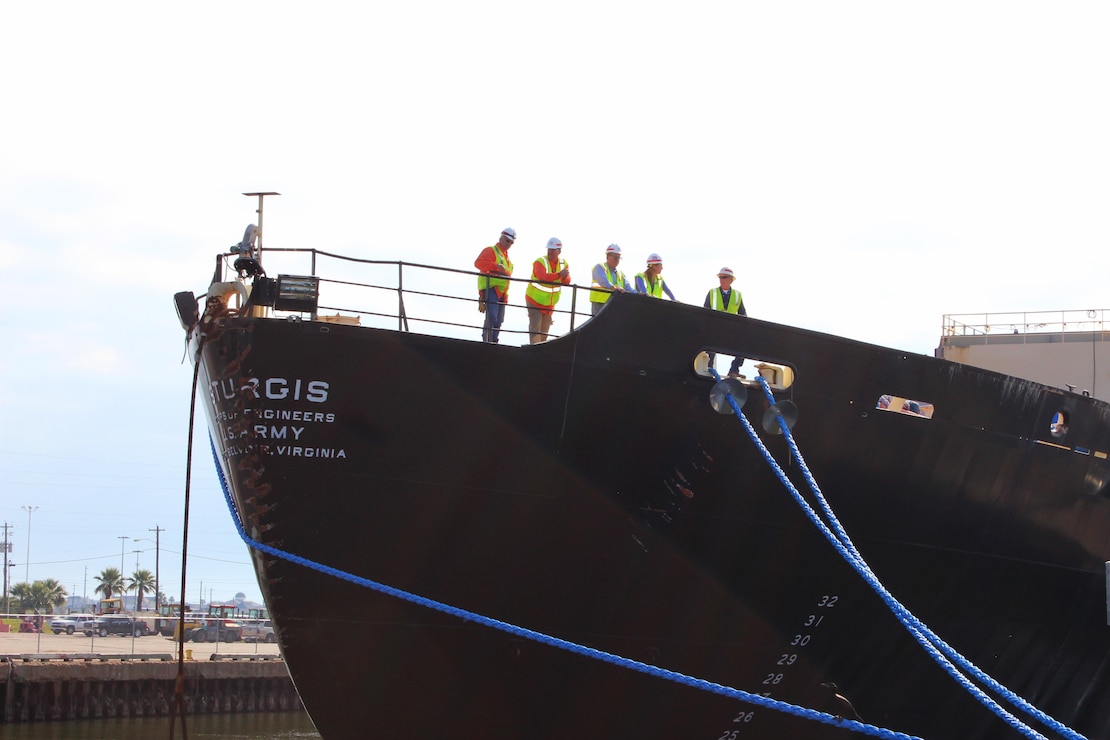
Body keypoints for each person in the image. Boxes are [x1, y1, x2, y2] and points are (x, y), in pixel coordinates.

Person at [525, 237, 571, 344]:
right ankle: (534, 352)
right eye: (549, 249)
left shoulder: (564, 263)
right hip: (535, 300)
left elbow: (567, 280)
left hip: (549, 304)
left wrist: (564, 277)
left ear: (559, 251)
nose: (550, 251)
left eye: (553, 249)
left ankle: (539, 353)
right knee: (535, 327)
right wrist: (559, 275)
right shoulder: (540, 262)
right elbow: (542, 277)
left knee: (544, 331)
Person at [704, 266, 747, 377]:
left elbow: (743, 314)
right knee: (709, 349)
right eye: (720, 277)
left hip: (731, 330)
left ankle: (734, 370)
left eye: (724, 277)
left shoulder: (737, 295)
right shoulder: (712, 293)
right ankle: (708, 370)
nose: (721, 279)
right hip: (714, 330)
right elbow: (704, 311)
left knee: (745, 345)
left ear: (731, 280)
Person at [475, 227, 515, 343]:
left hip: (502, 291)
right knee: (492, 316)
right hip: (491, 287)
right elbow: (478, 263)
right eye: (507, 241)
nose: (509, 244)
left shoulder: (507, 259)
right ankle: (487, 341)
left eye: (511, 242)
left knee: (499, 320)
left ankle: (493, 341)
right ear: (501, 238)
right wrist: (496, 266)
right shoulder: (491, 250)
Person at [589, 244, 633, 316]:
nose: (617, 260)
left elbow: (628, 288)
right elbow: (603, 281)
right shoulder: (599, 267)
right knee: (600, 325)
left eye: (618, 258)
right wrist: (615, 288)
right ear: (607, 256)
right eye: (615, 257)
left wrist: (639, 294)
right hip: (599, 304)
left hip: (614, 304)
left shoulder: (620, 274)